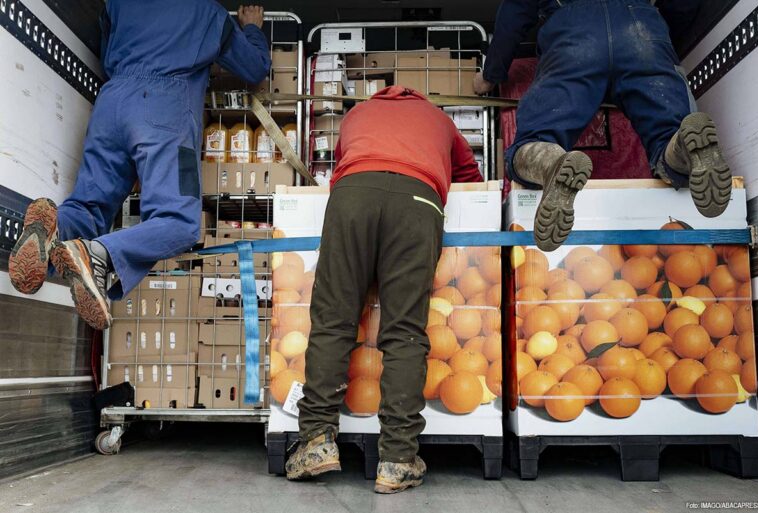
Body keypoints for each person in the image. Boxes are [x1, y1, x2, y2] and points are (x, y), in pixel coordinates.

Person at [9, 2, 271, 329]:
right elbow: (255, 67)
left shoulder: (120, 3)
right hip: (164, 109)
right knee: (179, 222)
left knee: (88, 206)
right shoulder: (209, 13)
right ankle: (97, 256)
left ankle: (54, 230)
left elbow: (106, 52)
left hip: (112, 103)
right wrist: (252, 29)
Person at [285, 86, 483, 493]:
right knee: (405, 330)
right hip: (419, 203)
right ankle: (397, 459)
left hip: (352, 198)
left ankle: (317, 443)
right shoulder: (440, 119)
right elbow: (472, 181)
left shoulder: (357, 115)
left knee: (334, 320)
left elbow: (344, 163)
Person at [474, 0, 731, 251]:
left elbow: (516, 9)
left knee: (534, 140)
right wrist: (660, 35)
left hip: (573, 33)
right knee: (667, 133)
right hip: (641, 26)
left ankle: (550, 162)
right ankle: (682, 146)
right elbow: (684, 5)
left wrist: (490, 74)